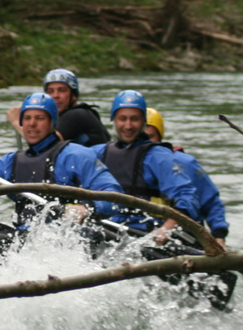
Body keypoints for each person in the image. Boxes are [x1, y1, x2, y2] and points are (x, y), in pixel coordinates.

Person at [0, 92, 125, 259]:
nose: (32, 124)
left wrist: (87, 208)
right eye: (27, 118)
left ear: (53, 123)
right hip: (25, 237)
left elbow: (114, 197)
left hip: (63, 242)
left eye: (39, 118)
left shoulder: (77, 154)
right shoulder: (12, 161)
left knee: (5, 243)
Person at [92, 90, 221, 251]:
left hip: (145, 237)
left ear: (143, 122)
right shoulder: (98, 152)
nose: (128, 125)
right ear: (113, 120)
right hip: (109, 231)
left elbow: (187, 197)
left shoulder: (158, 156)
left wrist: (166, 230)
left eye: (135, 119)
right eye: (122, 119)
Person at [143, 108, 229, 241]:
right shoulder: (125, 163)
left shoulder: (186, 163)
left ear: (160, 137)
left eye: (150, 137)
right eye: (142, 137)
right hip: (143, 233)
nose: (146, 143)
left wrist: (219, 237)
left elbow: (211, 202)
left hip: (183, 237)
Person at [6, 68, 109, 146]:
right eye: (50, 91)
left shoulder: (77, 115)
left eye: (62, 90)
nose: (55, 95)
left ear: (73, 96)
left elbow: (47, 146)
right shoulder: (59, 118)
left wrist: (16, 122)